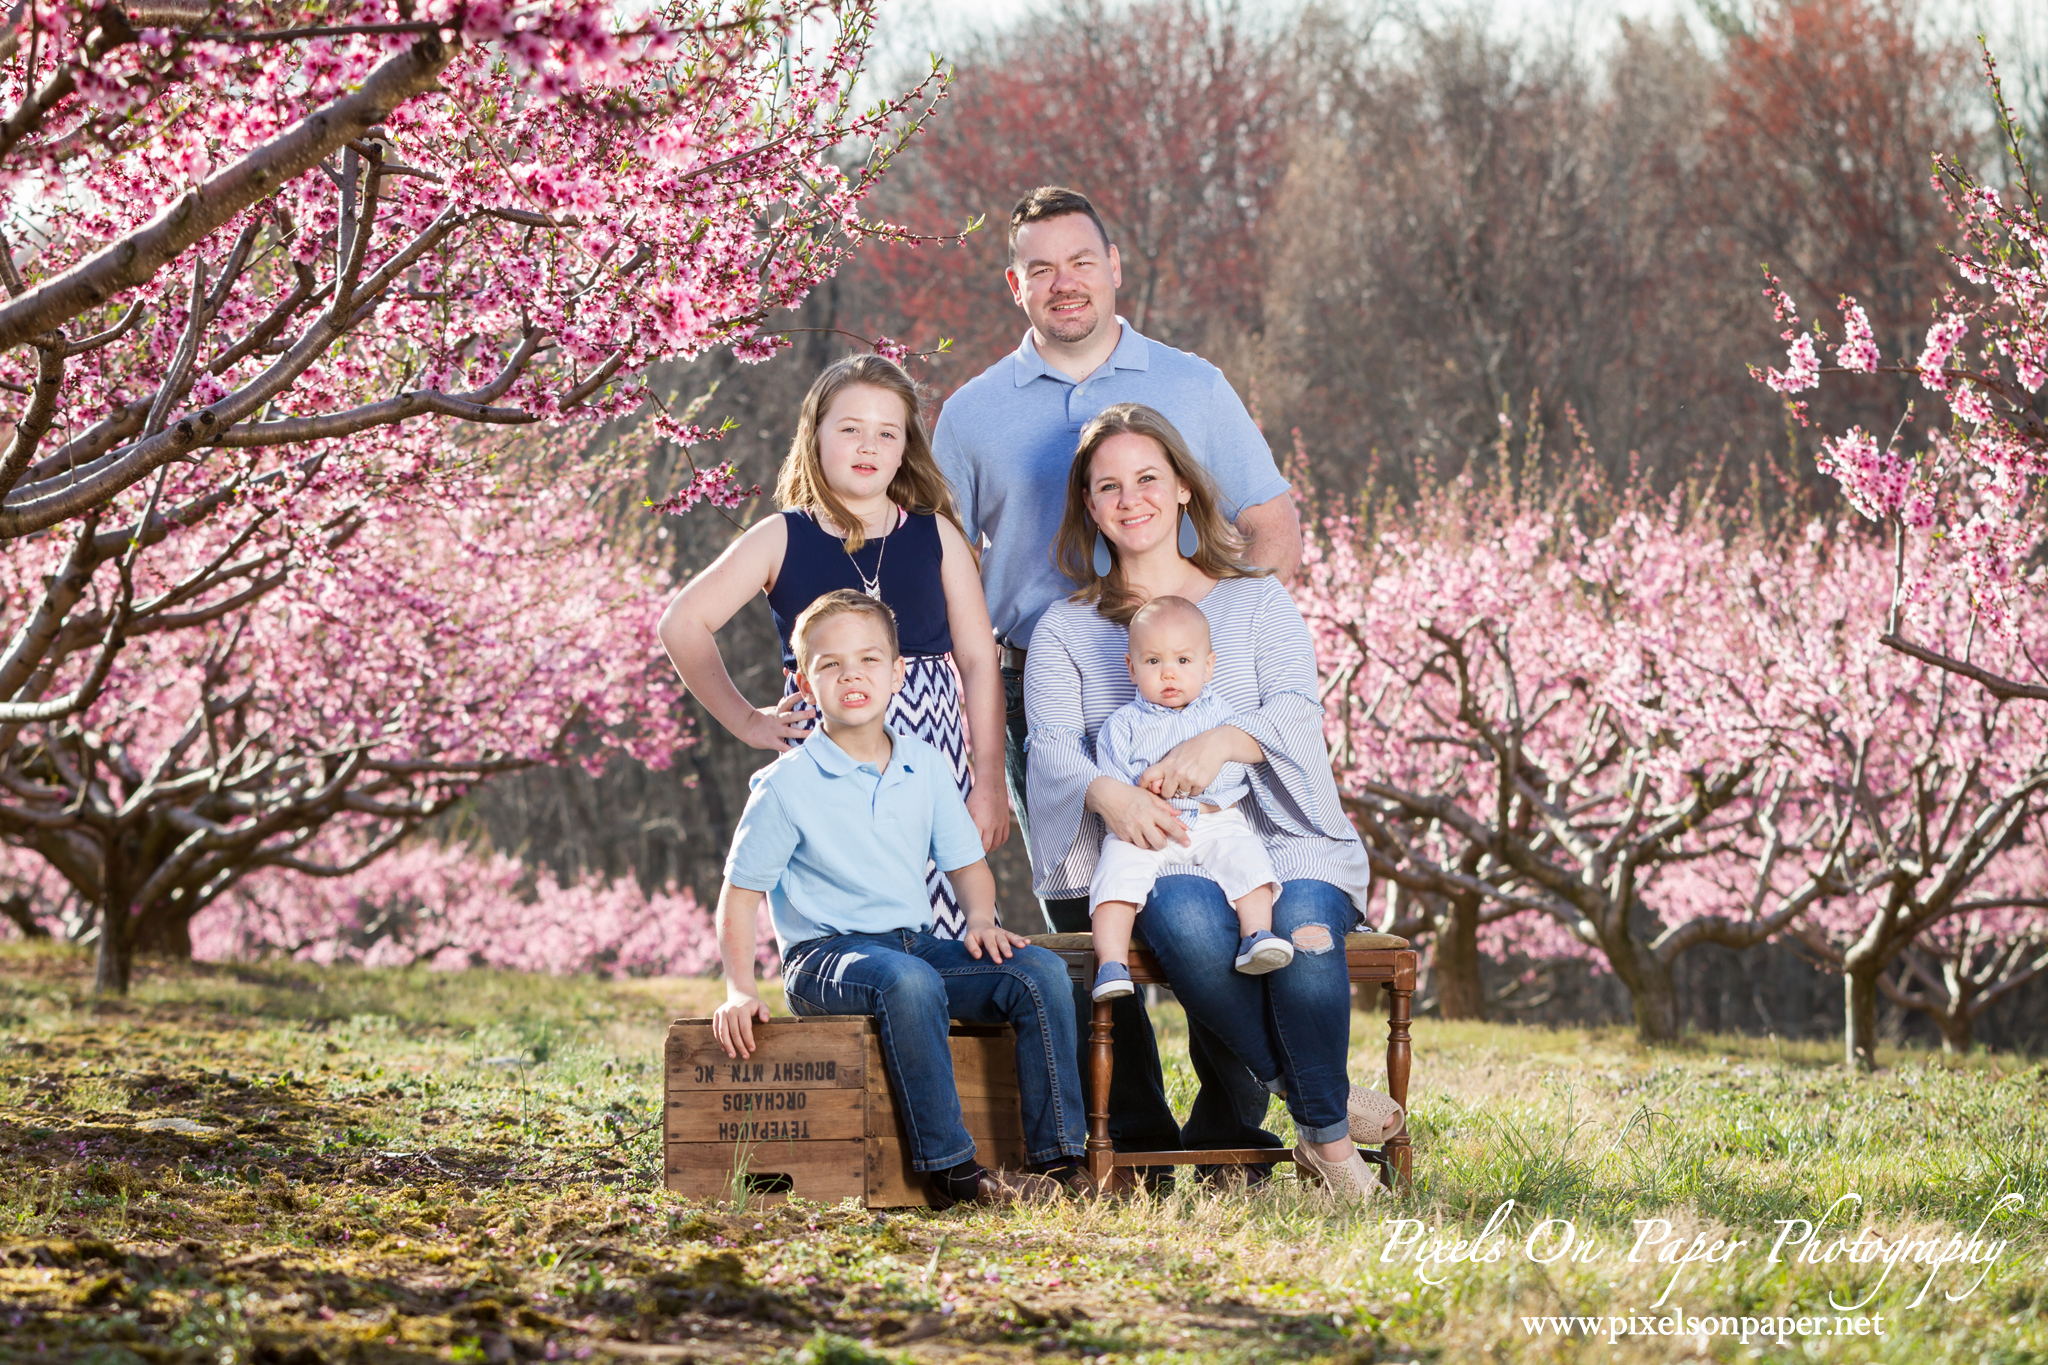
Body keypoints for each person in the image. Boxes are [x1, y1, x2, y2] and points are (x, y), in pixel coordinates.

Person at [933, 185, 1302, 1159]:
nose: (1064, 283)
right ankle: (1131, 1127)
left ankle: (1233, 1119)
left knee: (1215, 890)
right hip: (1040, 680)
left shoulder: (1190, 385)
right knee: (1089, 908)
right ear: (1015, 285)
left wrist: (1244, 647)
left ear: (1114, 267)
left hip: (1189, 683)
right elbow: (942, 568)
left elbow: (1268, 521)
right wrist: (973, 745)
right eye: (1040, 268)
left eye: (1080, 260)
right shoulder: (970, 415)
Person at [1025, 403, 1403, 1201]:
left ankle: (1314, 1123)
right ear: (1089, 507)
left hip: (1282, 839)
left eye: (1148, 479)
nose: (1131, 499)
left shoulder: (1256, 603)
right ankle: (1329, 1132)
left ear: (1185, 491)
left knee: (1301, 932)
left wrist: (1223, 740)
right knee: (1193, 922)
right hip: (1168, 849)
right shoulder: (1065, 629)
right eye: (1108, 486)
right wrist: (1110, 794)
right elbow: (1051, 745)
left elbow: (1299, 711)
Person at [709, 591, 1086, 1207]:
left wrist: (983, 921)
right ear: (804, 681)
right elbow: (740, 893)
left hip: (916, 946)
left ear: (898, 673)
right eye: (830, 665)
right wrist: (739, 989)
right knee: (907, 982)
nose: (852, 675)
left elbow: (967, 864)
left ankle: (1057, 1166)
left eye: (868, 661)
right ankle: (954, 1174)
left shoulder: (925, 764)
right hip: (827, 959)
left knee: (1038, 971)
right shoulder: (785, 786)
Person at [659, 354, 1008, 938]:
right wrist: (748, 721)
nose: (867, 445)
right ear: (815, 435)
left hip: (934, 755)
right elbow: (682, 623)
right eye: (850, 429)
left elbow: (977, 662)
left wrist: (989, 781)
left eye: (886, 433)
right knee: (853, 924)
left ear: (904, 450)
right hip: (828, 758)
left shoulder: (936, 535)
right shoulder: (781, 536)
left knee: (953, 932)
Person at [1087, 596, 1290, 1003]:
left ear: (1208, 666)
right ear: (1131, 667)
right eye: (1153, 662)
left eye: (1183, 661)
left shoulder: (1220, 718)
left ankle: (1257, 935)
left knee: (1248, 858)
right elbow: (1113, 782)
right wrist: (1141, 790)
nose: (1168, 674)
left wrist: (1194, 779)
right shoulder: (1121, 726)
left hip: (1214, 820)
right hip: (1148, 829)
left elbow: (1235, 771)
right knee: (1114, 875)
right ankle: (1111, 963)